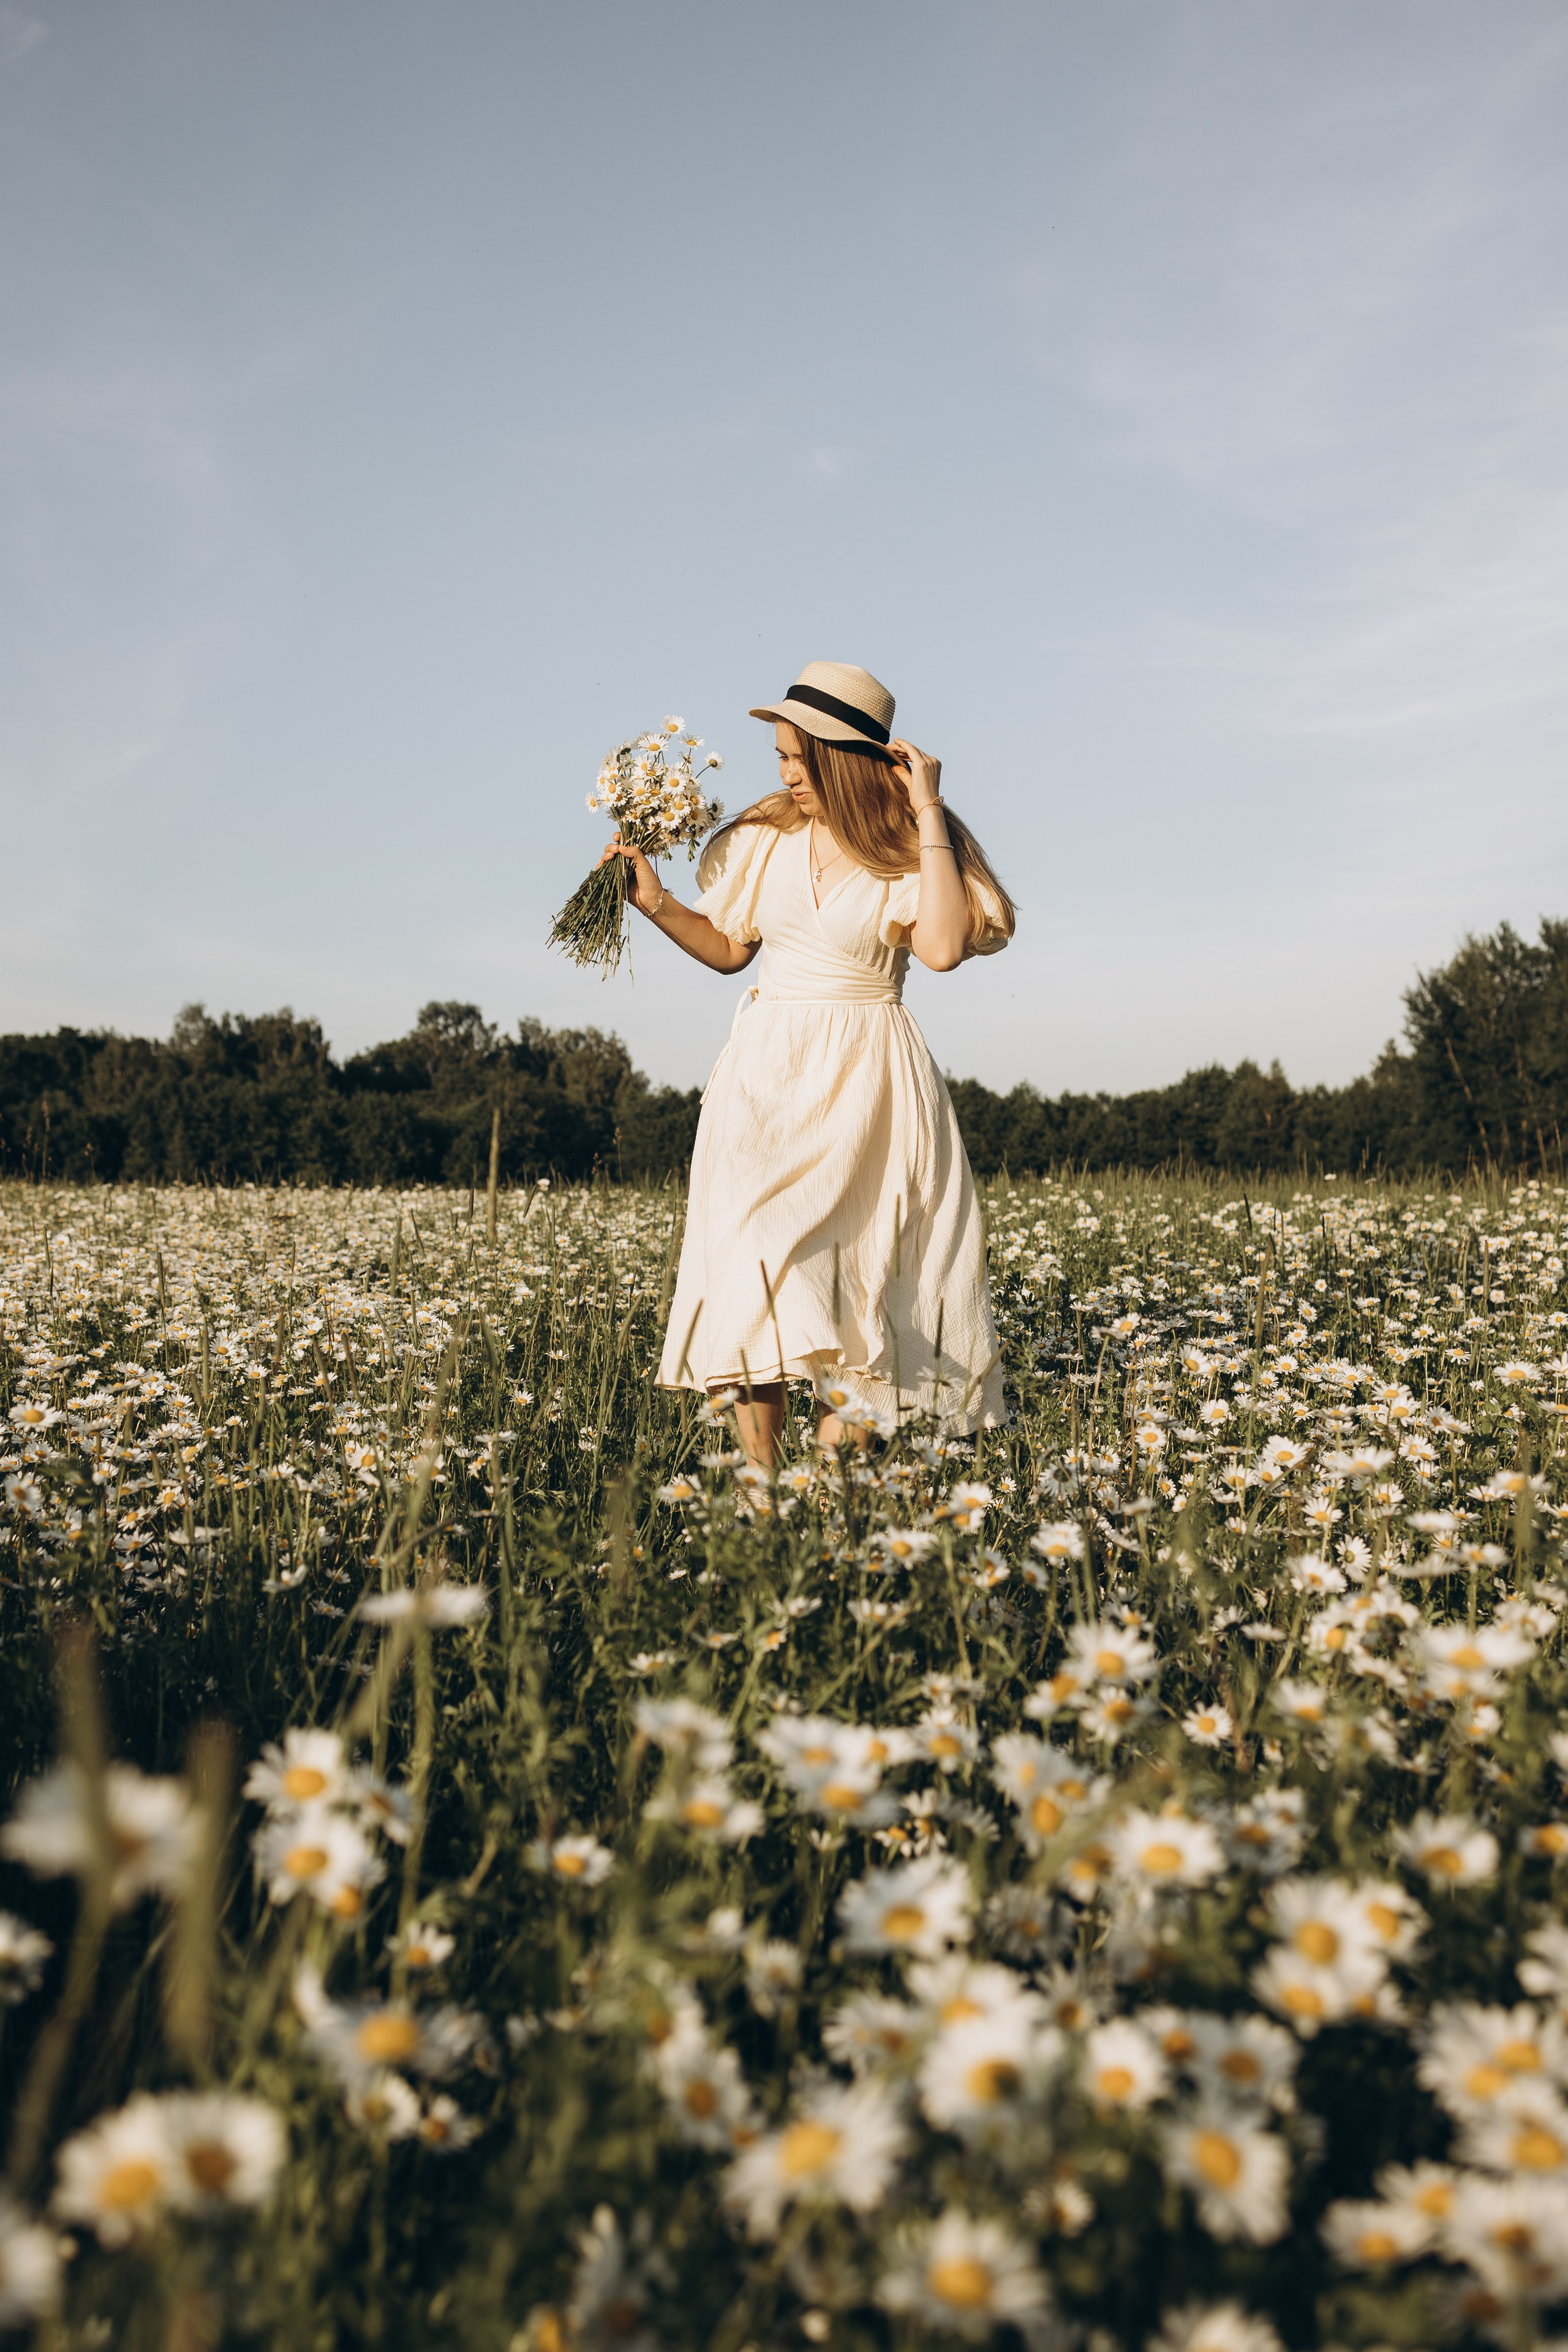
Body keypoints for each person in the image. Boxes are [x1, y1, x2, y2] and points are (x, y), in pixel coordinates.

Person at [597, 660, 1015, 1466]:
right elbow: (729, 950)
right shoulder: (768, 838)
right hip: (766, 1076)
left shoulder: (911, 843)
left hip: (870, 1083)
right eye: (782, 755)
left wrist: (926, 806)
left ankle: (835, 1503)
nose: (787, 773)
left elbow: (940, 948)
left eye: (801, 757)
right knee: (757, 1261)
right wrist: (654, 904)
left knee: (860, 1296)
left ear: (844, 758)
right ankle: (761, 1494)